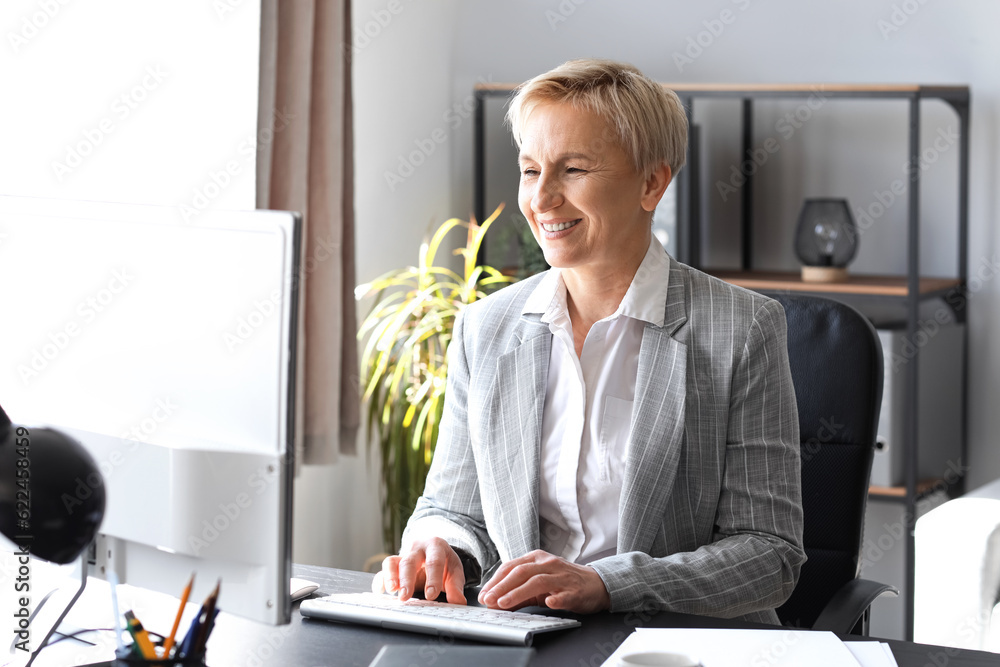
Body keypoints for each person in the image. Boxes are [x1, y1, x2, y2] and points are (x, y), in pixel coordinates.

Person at [373, 59, 805, 624]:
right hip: (528, 638)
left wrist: (607, 584)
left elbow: (768, 556)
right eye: (531, 171)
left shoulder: (742, 330)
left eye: (573, 169)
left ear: (652, 183)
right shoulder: (486, 328)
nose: (542, 198)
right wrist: (437, 544)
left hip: (677, 648)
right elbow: (451, 507)